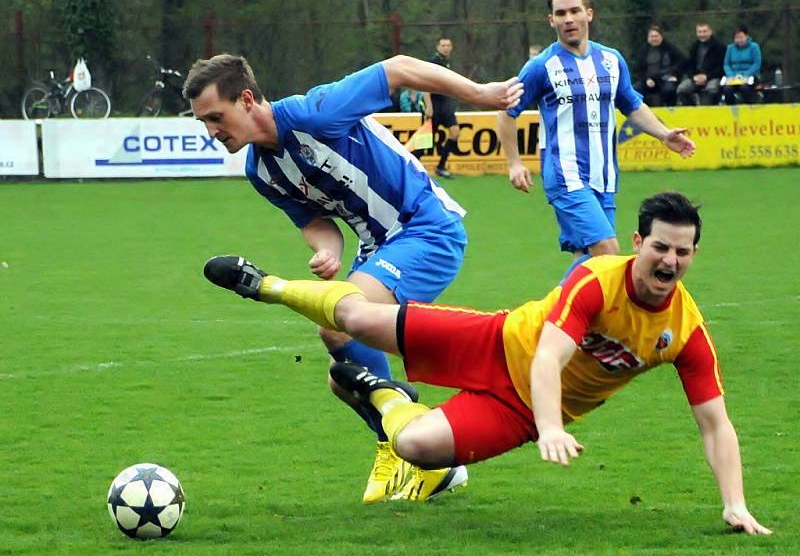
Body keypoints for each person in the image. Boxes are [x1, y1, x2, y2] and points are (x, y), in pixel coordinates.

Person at [203, 192, 772, 534]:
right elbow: (551, 351)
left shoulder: (686, 332)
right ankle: (268, 284)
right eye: (660, 247)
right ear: (638, 242)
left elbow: (715, 423)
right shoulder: (598, 280)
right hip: (494, 341)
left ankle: (387, 397)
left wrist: (735, 505)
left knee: (412, 448)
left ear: (694, 254)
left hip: (517, 412)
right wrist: (553, 426)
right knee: (355, 320)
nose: (669, 261)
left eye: (681, 251)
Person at [183, 53, 523, 504]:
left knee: (335, 322)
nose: (211, 131)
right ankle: (419, 455)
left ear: (246, 99)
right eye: (203, 122)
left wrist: (480, 94)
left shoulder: (315, 112)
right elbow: (315, 221)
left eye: (215, 117)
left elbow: (399, 68)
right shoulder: (260, 171)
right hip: (376, 248)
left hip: (426, 228)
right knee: (344, 377)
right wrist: (327, 249)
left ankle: (414, 442)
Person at [497, 0, 695, 280]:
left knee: (591, 264)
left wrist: (663, 134)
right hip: (565, 175)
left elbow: (632, 105)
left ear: (589, 13)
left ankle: (570, 324)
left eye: (575, 11)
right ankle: (553, 318)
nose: (568, 19)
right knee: (607, 250)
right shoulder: (541, 66)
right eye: (560, 13)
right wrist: (514, 163)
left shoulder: (611, 60)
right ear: (551, 20)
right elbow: (506, 110)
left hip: (605, 177)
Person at [424, 37, 461, 178]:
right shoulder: (433, 62)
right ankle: (408, 167)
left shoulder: (446, 62)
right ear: (437, 47)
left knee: (455, 133)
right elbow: (424, 85)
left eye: (448, 45)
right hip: (435, 105)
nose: (445, 47)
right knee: (426, 142)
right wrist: (429, 106)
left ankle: (441, 166)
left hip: (445, 105)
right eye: (443, 45)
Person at [676, 22, 726, 106]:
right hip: (696, 78)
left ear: (710, 32)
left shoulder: (720, 46)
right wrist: (693, 77)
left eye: (704, 31)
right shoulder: (694, 46)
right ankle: (691, 111)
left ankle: (709, 113)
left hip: (714, 77)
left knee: (711, 89)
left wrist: (707, 77)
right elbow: (689, 65)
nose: (702, 34)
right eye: (699, 32)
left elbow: (722, 67)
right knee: (682, 88)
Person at [634, 25, 684, 107]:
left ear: (661, 37)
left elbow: (681, 62)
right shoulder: (643, 50)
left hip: (665, 78)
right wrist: (646, 79)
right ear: (648, 38)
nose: (654, 39)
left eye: (656, 36)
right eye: (652, 36)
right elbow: (639, 69)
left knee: (669, 89)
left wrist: (675, 75)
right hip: (648, 80)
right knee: (635, 90)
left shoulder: (670, 48)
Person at [722, 26, 762, 105]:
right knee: (727, 89)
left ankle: (749, 108)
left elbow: (757, 64)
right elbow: (726, 64)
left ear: (746, 36)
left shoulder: (754, 47)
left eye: (741, 37)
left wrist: (745, 74)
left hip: (750, 76)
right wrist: (731, 75)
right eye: (737, 38)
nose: (739, 40)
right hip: (733, 77)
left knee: (744, 88)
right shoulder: (730, 48)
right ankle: (731, 110)